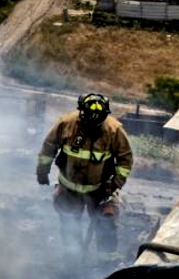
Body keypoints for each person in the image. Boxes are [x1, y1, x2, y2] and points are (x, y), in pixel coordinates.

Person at [36, 92, 134, 263]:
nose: (92, 125)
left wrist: (115, 183)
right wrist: (42, 172)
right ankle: (73, 260)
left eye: (97, 121)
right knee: (69, 224)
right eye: (89, 120)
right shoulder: (66, 124)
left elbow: (125, 160)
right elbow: (48, 147)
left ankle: (106, 262)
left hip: (101, 190)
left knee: (106, 225)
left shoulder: (114, 130)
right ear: (81, 112)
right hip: (69, 188)